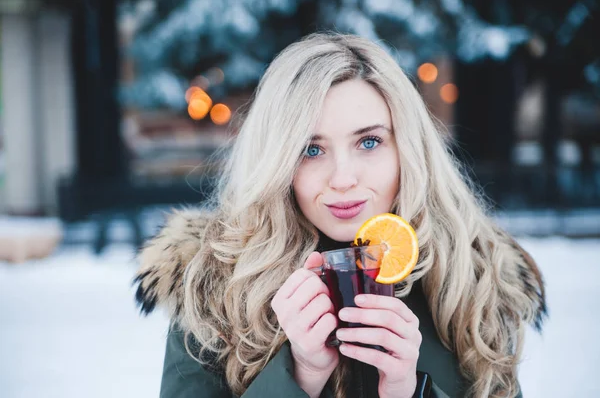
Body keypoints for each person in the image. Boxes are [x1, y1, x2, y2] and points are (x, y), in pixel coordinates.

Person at [134, 33, 546, 398]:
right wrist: (300, 375)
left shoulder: (474, 278)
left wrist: (410, 392)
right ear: (277, 161)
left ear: (407, 147)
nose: (343, 178)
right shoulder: (213, 288)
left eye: (369, 142)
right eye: (311, 150)